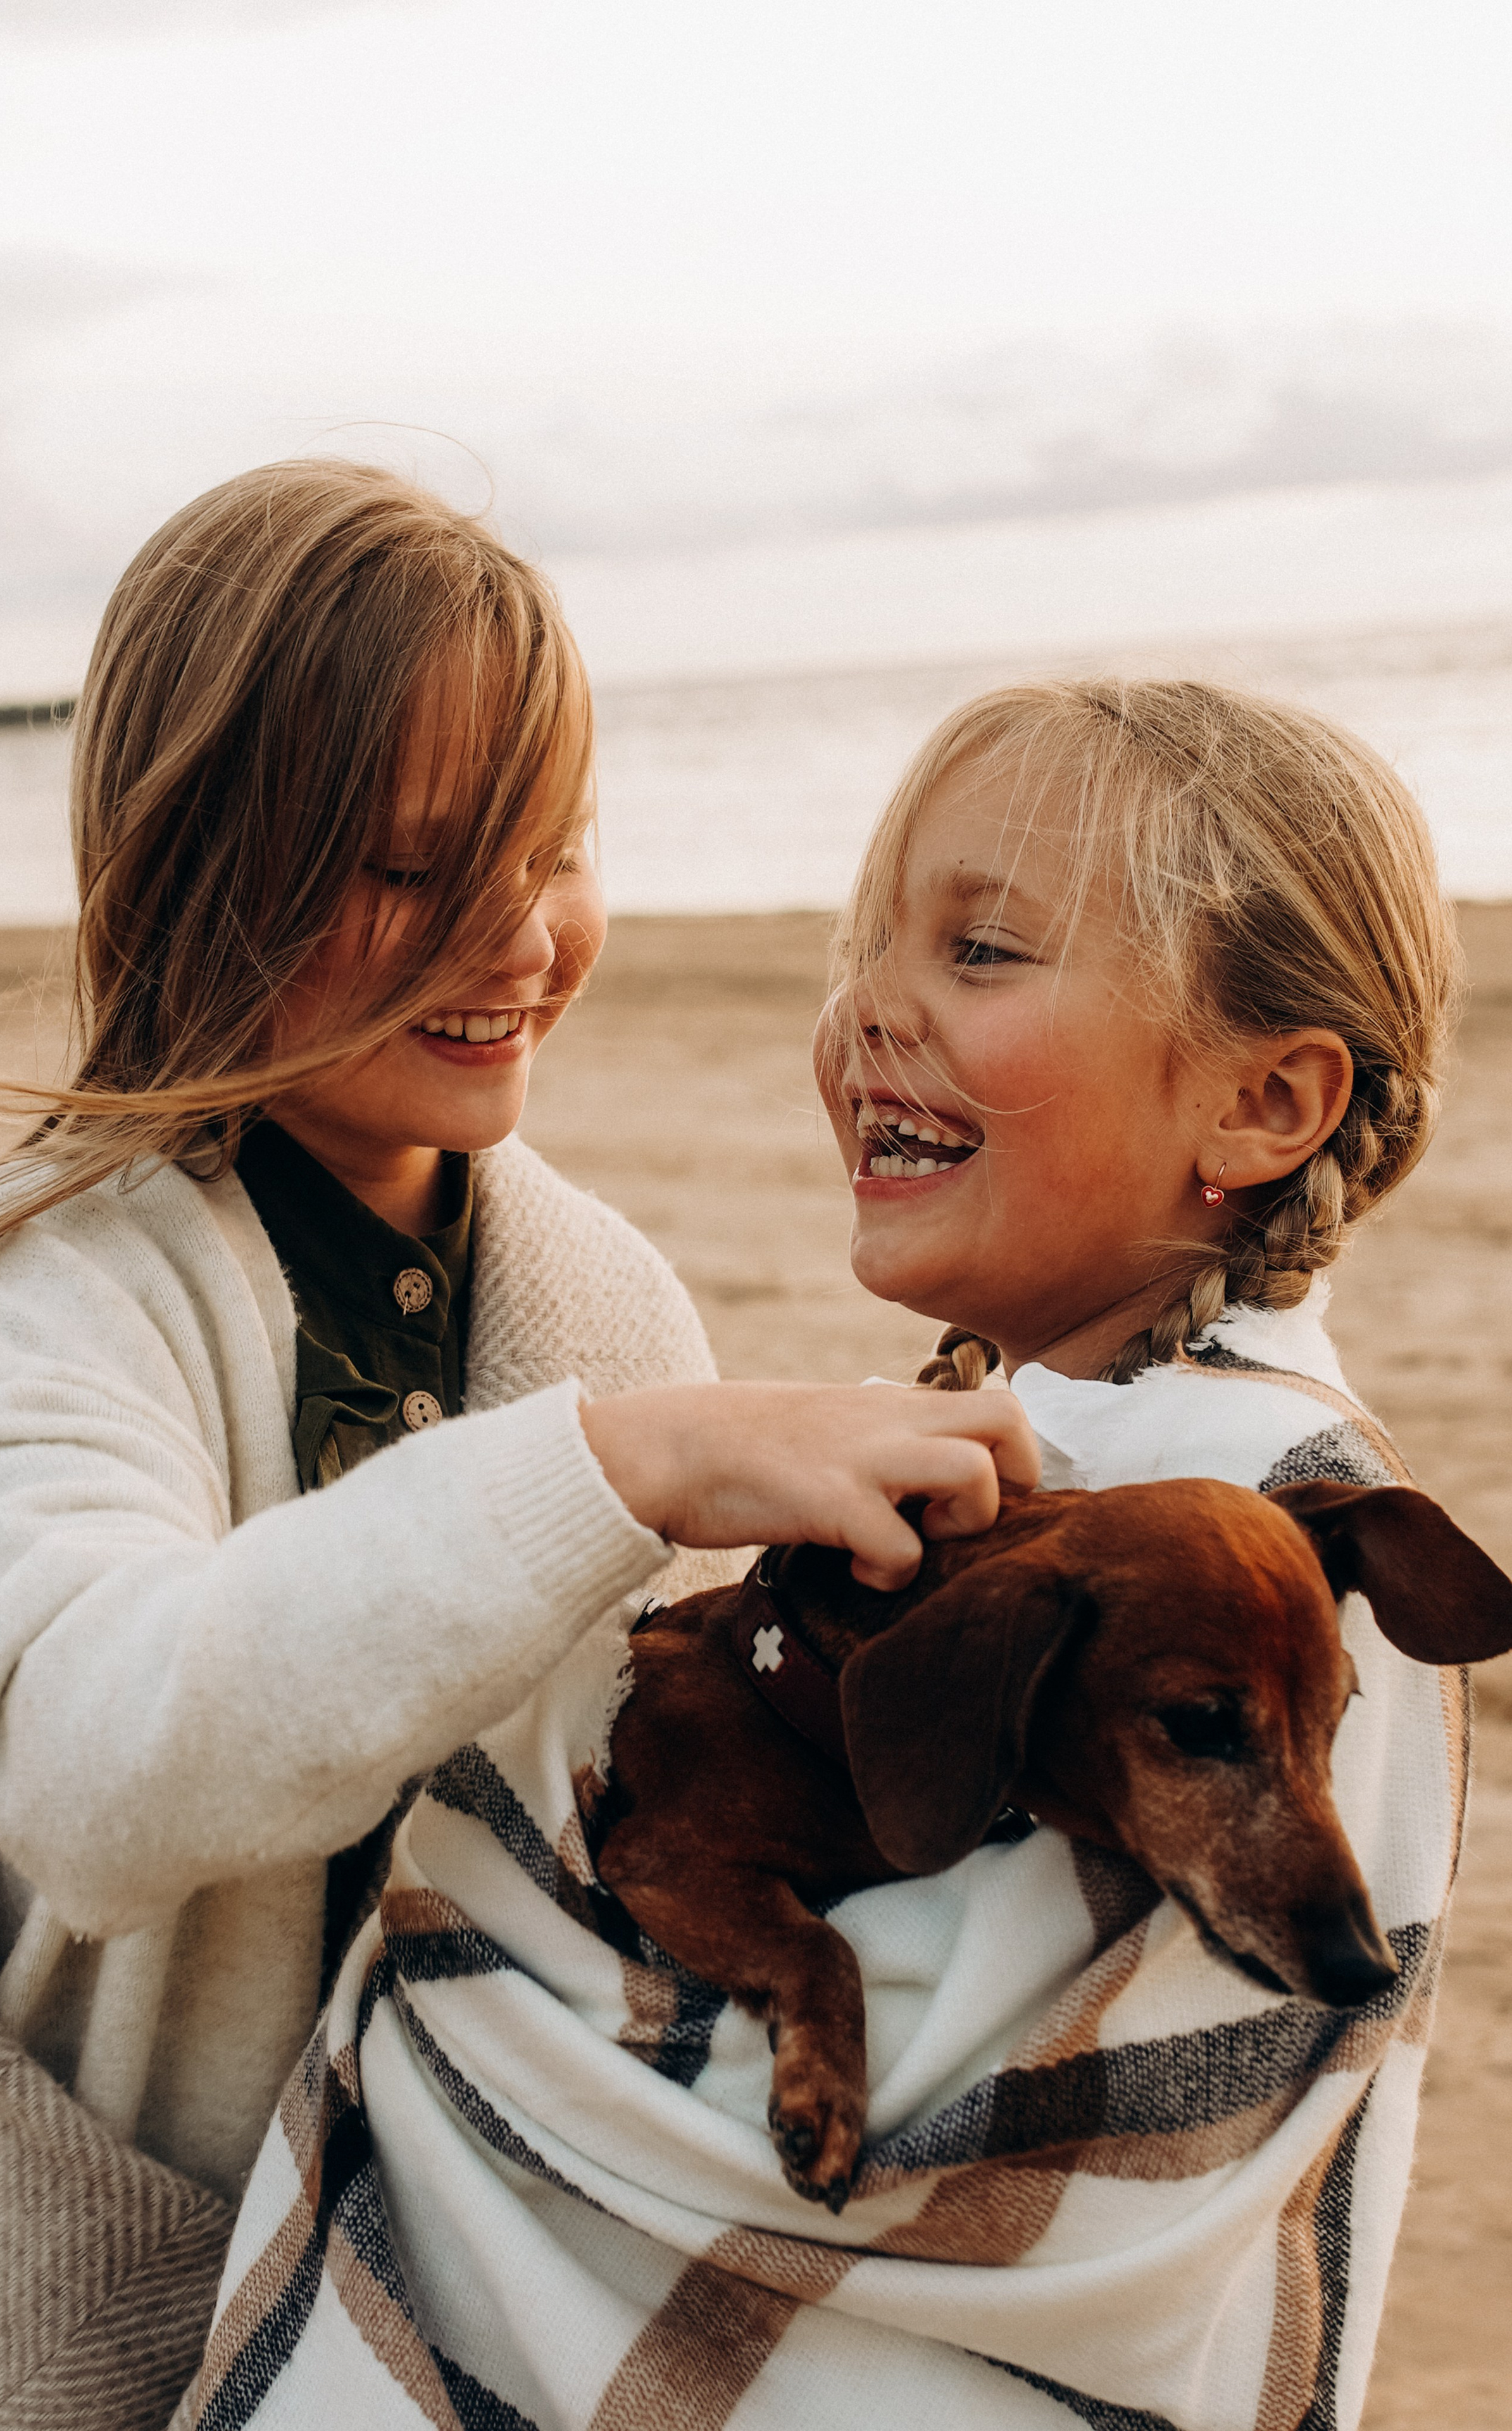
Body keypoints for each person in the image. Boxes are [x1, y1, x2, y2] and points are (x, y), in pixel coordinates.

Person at [0, 460, 1035, 2430]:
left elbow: (652, 1819)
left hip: (471, 2298)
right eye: (419, 869)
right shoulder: (64, 1285)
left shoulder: (598, 1296)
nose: (526, 937)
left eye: (559, 848)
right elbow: (88, 1776)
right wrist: (617, 1471)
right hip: (108, 2327)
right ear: (193, 873)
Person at [193, 676, 1471, 2431]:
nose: (871, 1010)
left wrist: (482, 1890)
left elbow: (973, 2131)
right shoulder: (1012, 1432)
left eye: (985, 955)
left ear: (1265, 1104)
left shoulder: (1260, 1518)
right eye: (864, 947)